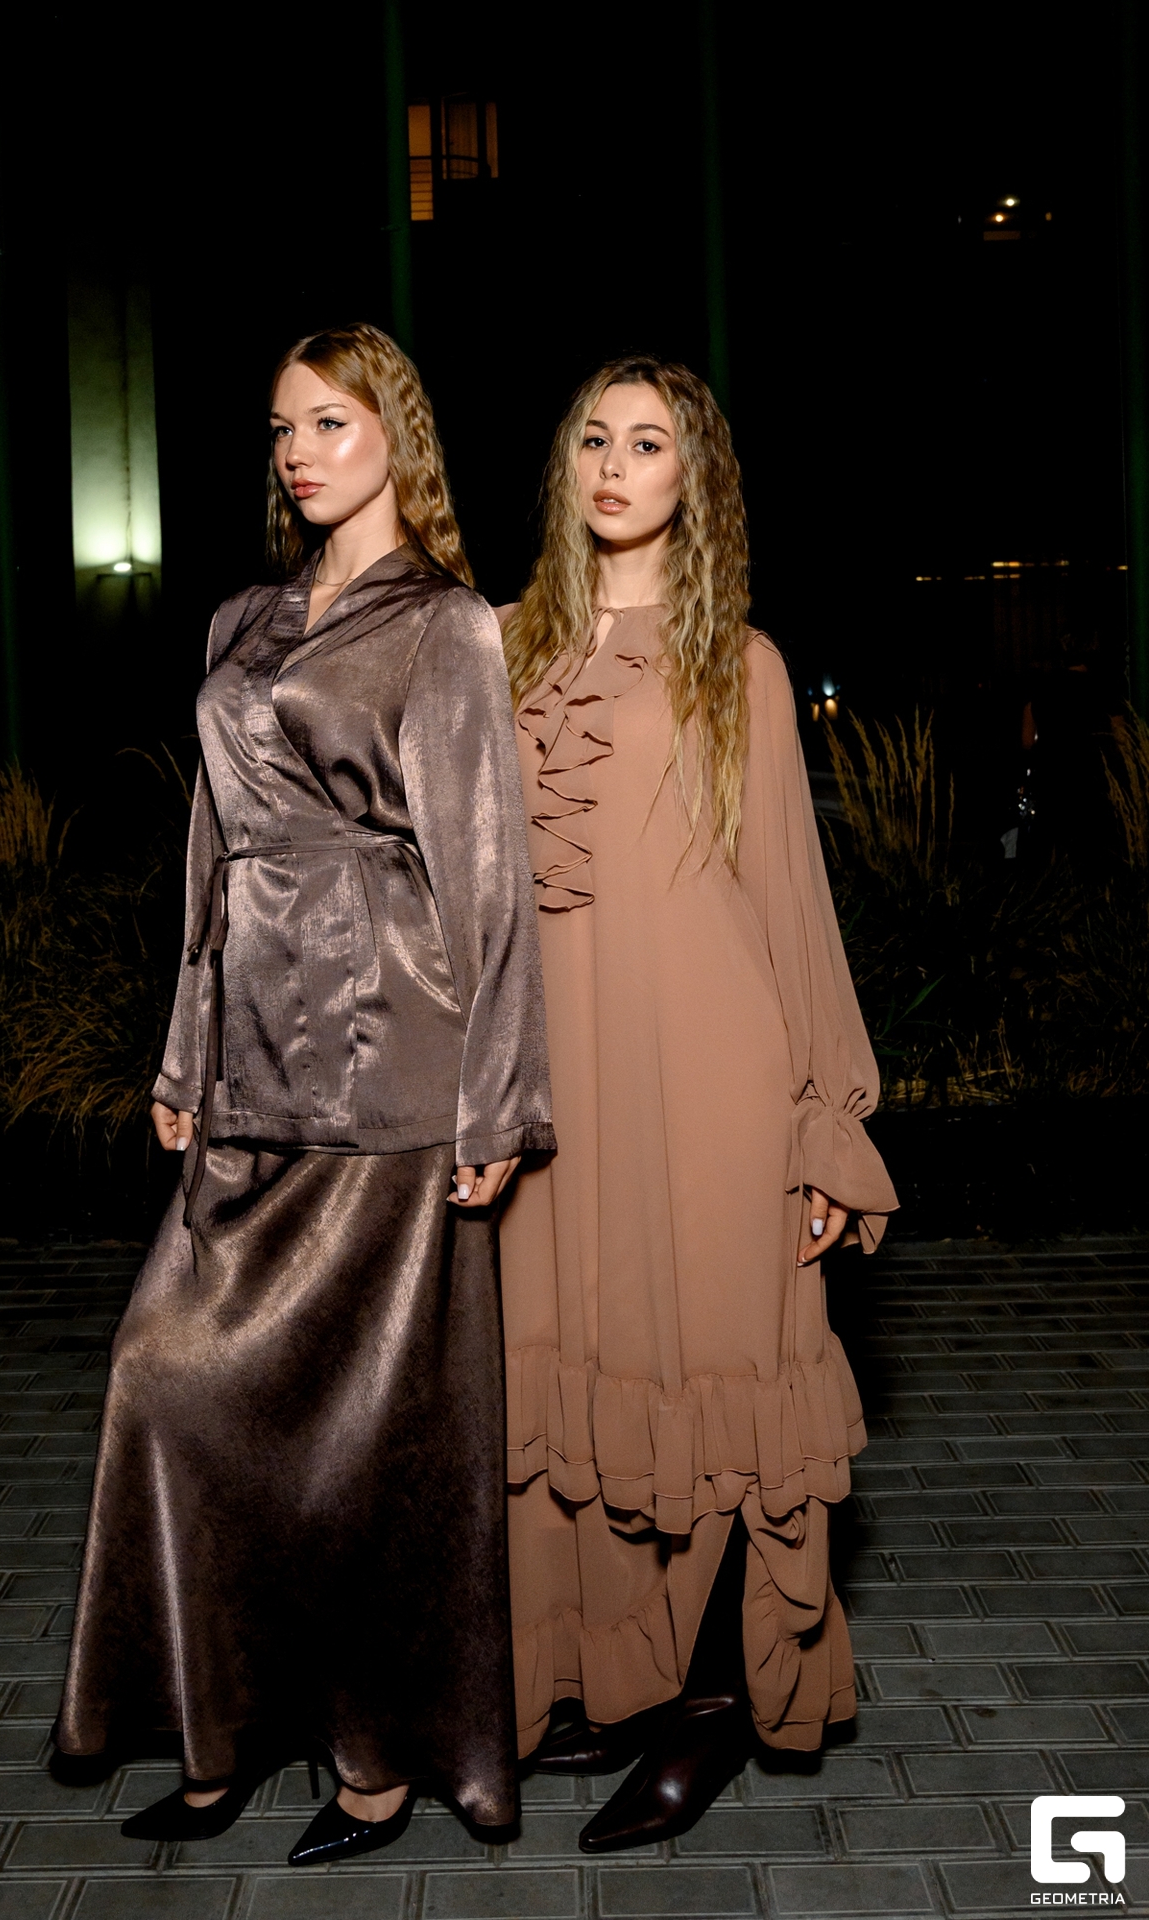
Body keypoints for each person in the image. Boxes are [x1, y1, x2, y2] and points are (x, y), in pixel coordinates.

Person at [53, 323, 554, 1864]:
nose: (296, 451)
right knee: (166, 1379)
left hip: (392, 1061)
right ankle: (216, 1734)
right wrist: (181, 1050)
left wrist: (498, 1101)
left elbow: (489, 875)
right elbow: (206, 856)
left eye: (329, 422)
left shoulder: (445, 624)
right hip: (248, 1060)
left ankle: (373, 1764)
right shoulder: (241, 620)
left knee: (368, 1445)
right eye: (281, 427)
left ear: (396, 433)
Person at [496, 355, 898, 1852]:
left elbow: (786, 895)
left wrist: (821, 1121)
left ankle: (720, 1704)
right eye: (593, 439)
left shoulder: (742, 663)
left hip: (712, 1082)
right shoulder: (504, 647)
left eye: (647, 443)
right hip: (558, 1095)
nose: (614, 465)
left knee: (724, 1390)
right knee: (580, 1388)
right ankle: (608, 1684)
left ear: (694, 477)